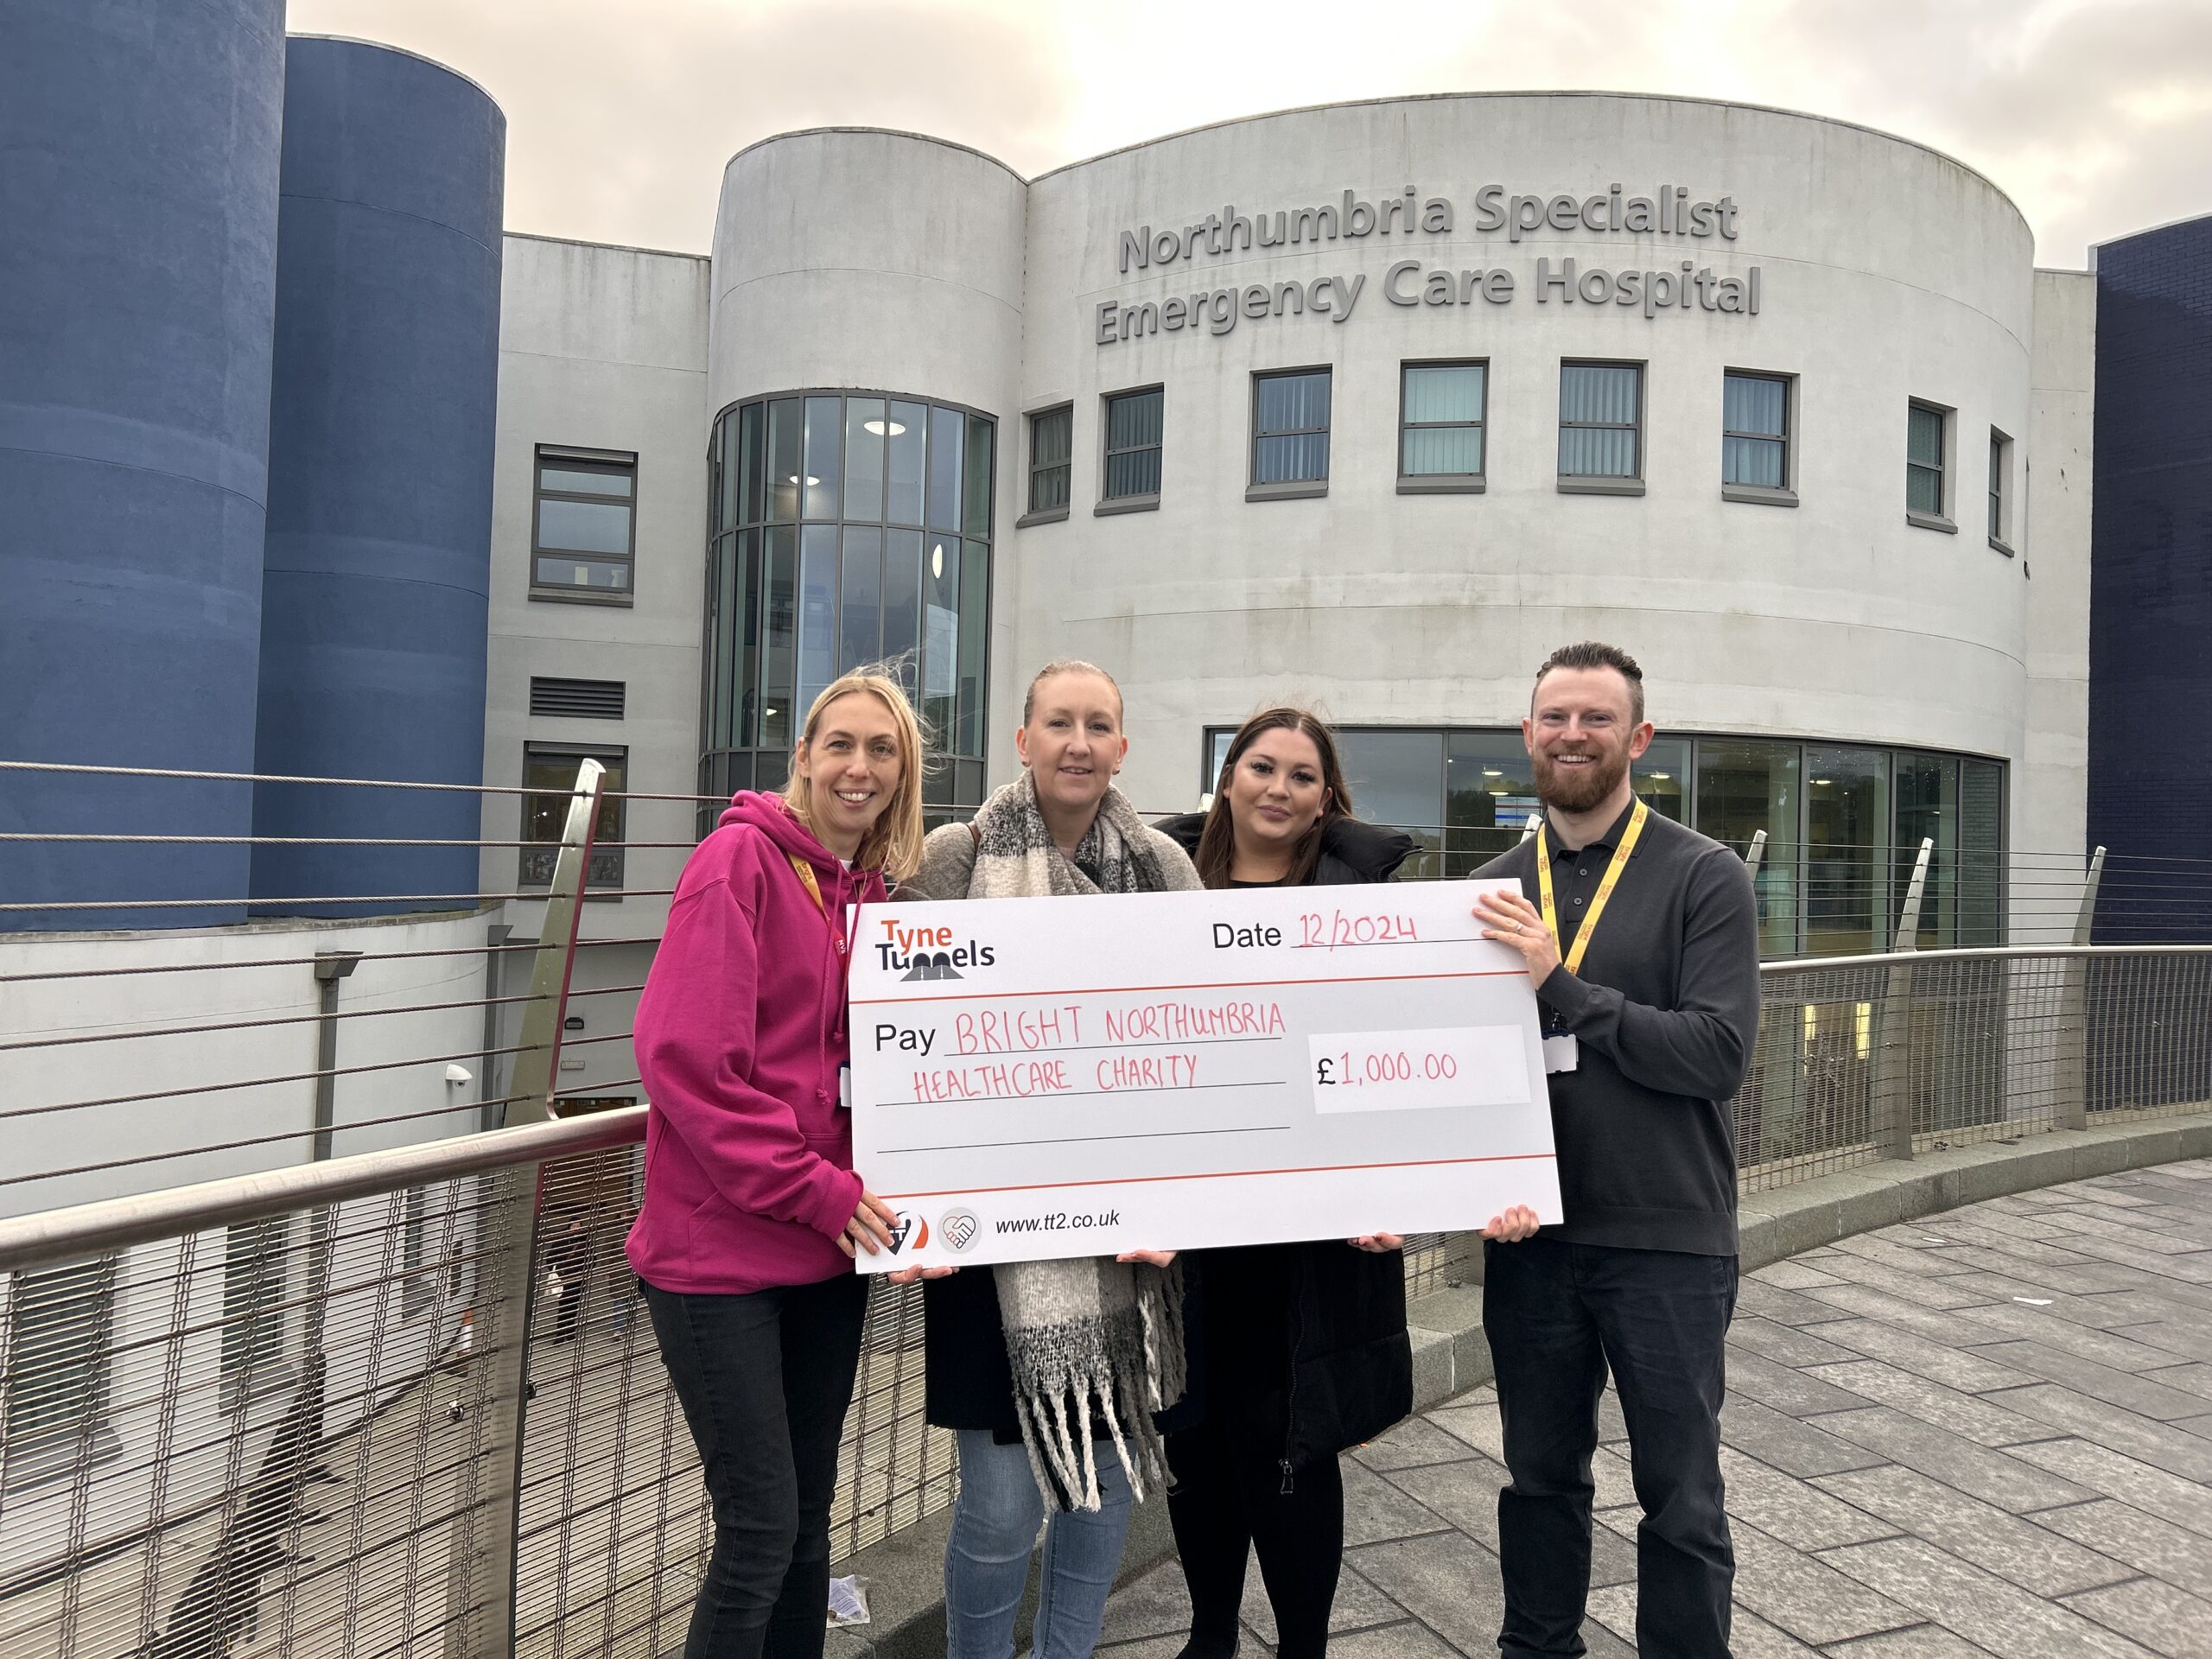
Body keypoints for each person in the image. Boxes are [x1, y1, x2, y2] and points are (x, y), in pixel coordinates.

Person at [1154, 708, 1539, 1659]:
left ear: (1327, 797)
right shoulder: (1162, 889)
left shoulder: (1370, 903)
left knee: (1290, 1445)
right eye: (1259, 768)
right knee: (1196, 1444)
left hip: (1313, 1242)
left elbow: (1409, 1055)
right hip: (1186, 1233)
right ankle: (1208, 1636)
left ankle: (1302, 1647)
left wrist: (1407, 1193)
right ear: (1227, 779)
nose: (1276, 789)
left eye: (1299, 775)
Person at [891, 660, 1200, 1659]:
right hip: (991, 1244)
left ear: (1121, 746)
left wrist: (1184, 1199)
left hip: (1124, 1242)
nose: (1078, 741)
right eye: (1058, 723)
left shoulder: (1164, 868)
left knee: (1103, 1488)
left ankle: (1065, 1652)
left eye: (1097, 724)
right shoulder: (955, 857)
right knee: (994, 1508)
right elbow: (891, 1031)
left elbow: (1208, 1044)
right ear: (1022, 741)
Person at [626, 667, 927, 1659]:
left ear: (902, 772)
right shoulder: (736, 864)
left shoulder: (873, 898)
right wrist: (819, 1189)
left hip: (824, 1255)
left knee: (803, 1525)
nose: (859, 766)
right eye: (839, 744)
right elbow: (688, 1065)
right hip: (719, 1259)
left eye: (881, 750)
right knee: (759, 1530)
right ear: (800, 757)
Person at [1471, 642, 1761, 1659]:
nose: (1572, 736)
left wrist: (1563, 985)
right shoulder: (1491, 890)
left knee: (1680, 1498)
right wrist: (1470, 1180)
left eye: (1596, 719)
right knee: (1539, 1482)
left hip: (1666, 1242)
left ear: (1638, 738)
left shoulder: (1703, 875)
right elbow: (1465, 1079)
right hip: (1533, 1244)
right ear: (1526, 734)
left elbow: (1716, 1054)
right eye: (1554, 717)